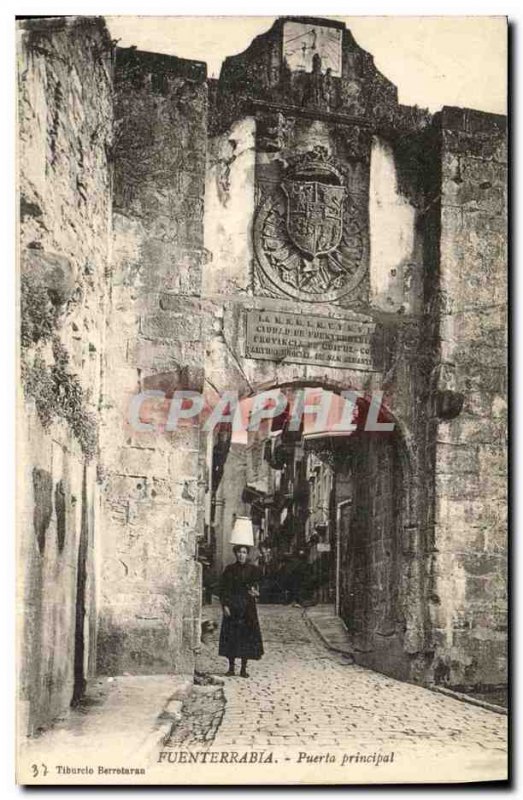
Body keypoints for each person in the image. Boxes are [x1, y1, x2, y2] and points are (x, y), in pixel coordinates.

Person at [218, 544, 264, 678]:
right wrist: (225, 605)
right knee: (231, 636)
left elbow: (260, 584)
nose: (241, 555)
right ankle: (231, 668)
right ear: (235, 554)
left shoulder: (253, 570)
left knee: (246, 637)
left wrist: (256, 592)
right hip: (233, 607)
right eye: (239, 552)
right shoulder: (229, 569)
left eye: (244, 552)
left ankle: (243, 669)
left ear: (247, 554)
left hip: (247, 608)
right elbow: (223, 589)